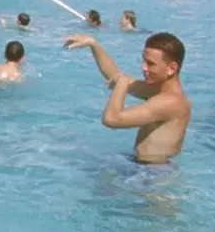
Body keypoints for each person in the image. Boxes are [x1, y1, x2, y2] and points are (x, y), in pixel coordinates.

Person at [64, 32, 192, 164]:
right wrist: (93, 44)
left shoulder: (171, 102)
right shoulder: (158, 90)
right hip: (142, 165)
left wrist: (122, 83)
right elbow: (114, 76)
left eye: (150, 63)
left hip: (153, 175)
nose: (143, 67)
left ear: (171, 68)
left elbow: (111, 119)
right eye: (143, 60)